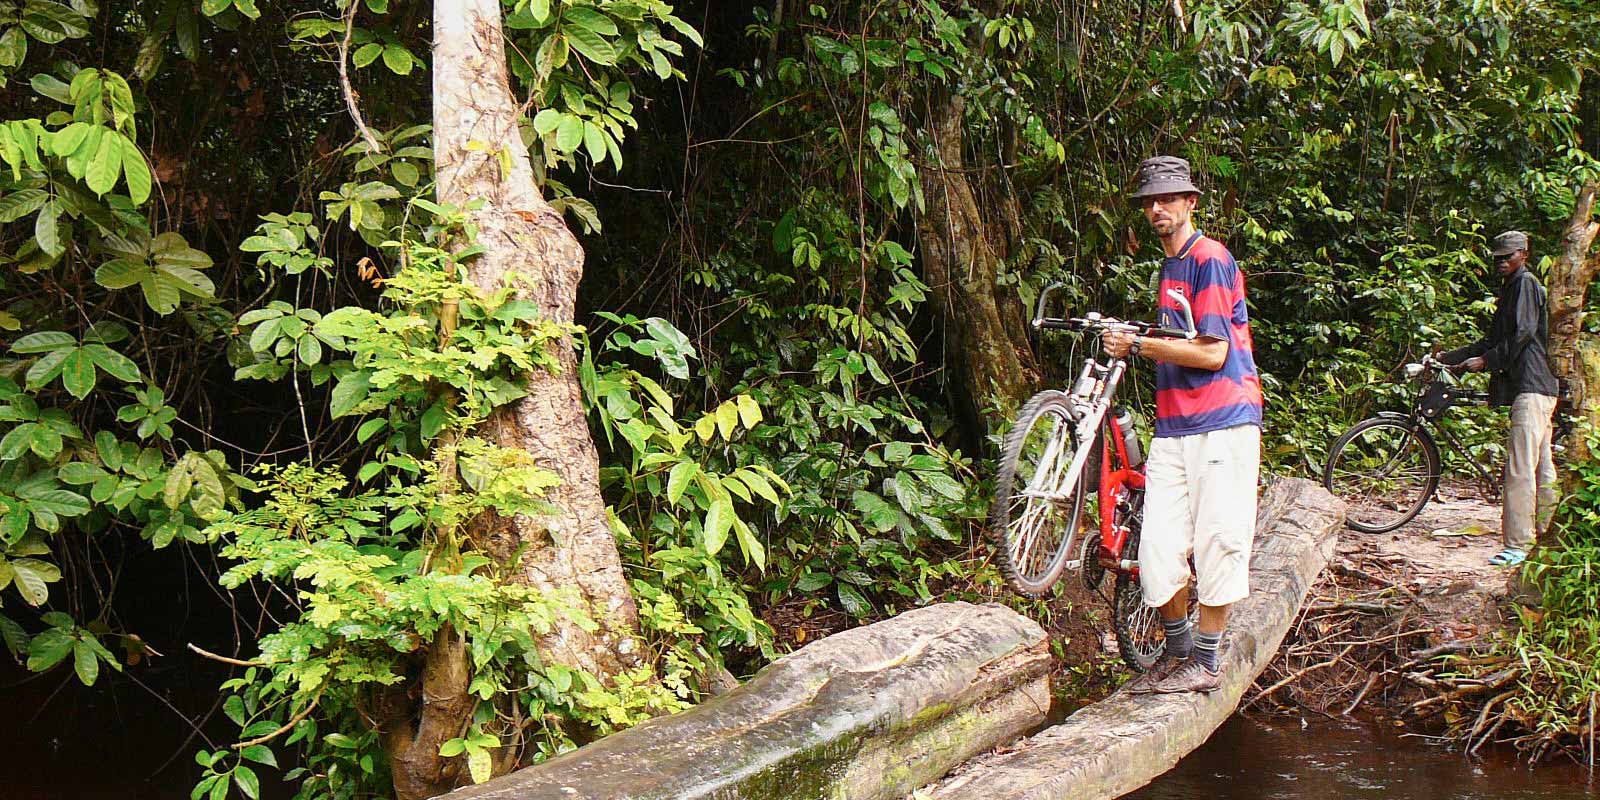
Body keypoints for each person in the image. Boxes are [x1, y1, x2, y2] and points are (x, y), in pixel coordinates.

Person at [1103, 156, 1264, 694]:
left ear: (1191, 202)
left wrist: (1139, 345)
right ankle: (1177, 650)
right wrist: (1136, 335)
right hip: (1174, 426)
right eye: (1150, 201)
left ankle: (1208, 659)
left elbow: (1214, 352)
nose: (1157, 208)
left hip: (1222, 420)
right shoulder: (1170, 269)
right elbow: (1180, 338)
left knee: (1219, 538)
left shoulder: (1209, 259)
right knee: (1156, 548)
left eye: (1167, 198)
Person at [1439, 230, 1559, 568]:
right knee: (1542, 468)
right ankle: (1550, 535)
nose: (1502, 261)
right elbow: (1491, 339)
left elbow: (1521, 333)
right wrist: (1450, 357)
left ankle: (1518, 545)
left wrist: (1487, 361)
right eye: (1498, 257)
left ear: (1524, 253)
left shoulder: (1525, 284)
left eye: (1508, 256)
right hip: (1536, 389)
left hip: (1531, 386)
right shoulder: (1510, 290)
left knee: (1519, 468)